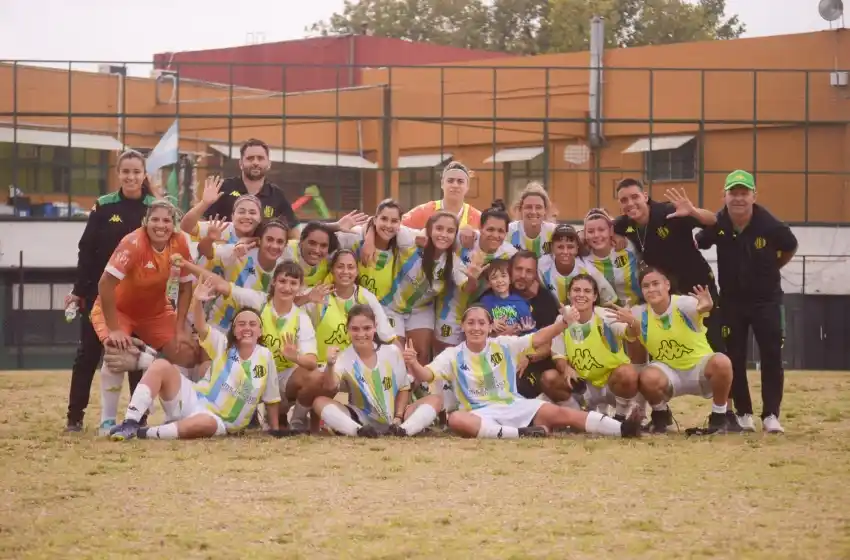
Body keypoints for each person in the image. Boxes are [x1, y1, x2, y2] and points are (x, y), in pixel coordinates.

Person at [403, 305, 641, 439]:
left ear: (489, 327)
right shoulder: (453, 354)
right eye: (471, 323)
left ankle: (623, 429)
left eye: (481, 323)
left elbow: (538, 338)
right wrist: (413, 364)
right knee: (456, 420)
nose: (476, 327)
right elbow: (426, 375)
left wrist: (563, 324)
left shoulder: (504, 344)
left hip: (514, 405)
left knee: (562, 415)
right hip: (480, 413)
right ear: (463, 327)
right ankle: (520, 434)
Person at [107, 276, 283, 441]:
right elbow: (200, 326)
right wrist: (198, 301)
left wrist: (274, 429)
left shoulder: (265, 357)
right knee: (161, 366)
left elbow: (272, 397)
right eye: (241, 324)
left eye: (253, 325)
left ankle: (146, 433)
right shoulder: (224, 344)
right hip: (195, 398)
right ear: (235, 330)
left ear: (260, 331)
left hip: (218, 420)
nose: (247, 328)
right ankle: (130, 423)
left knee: (205, 424)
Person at [695, 170, 798, 434]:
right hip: (732, 301)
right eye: (733, 193)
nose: (739, 198)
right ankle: (744, 413)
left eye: (744, 193)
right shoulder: (718, 222)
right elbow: (699, 242)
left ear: (754, 195)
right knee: (735, 357)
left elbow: (790, 246)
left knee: (772, 355)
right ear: (725, 195)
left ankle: (771, 415)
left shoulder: (770, 224)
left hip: (767, 300)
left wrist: (772, 267)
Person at [63, 149, 157, 432]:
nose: (131, 177)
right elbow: (86, 251)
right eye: (125, 171)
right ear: (118, 174)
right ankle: (74, 417)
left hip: (140, 299)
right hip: (99, 296)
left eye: (136, 172)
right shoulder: (103, 206)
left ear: (144, 175)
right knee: (88, 355)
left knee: (137, 359)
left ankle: (137, 418)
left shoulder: (155, 207)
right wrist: (80, 290)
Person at [87, 199, 197, 436]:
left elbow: (187, 287)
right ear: (145, 222)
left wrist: (179, 328)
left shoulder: (180, 243)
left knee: (186, 350)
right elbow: (105, 284)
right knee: (116, 352)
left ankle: (178, 414)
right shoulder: (133, 242)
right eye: (155, 219)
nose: (161, 225)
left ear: (174, 224)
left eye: (166, 220)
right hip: (118, 309)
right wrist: (114, 330)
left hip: (155, 311)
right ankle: (107, 421)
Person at [608, 267, 742, 435]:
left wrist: (706, 307)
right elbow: (625, 334)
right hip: (670, 373)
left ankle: (719, 417)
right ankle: (660, 416)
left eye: (656, 284)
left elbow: (700, 308)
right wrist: (629, 323)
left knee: (722, 362)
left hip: (698, 368)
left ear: (667, 285)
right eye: (646, 286)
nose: (651, 289)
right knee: (647, 375)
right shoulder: (638, 313)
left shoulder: (683, 303)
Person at [204, 260, 318, 429]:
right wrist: (184, 263)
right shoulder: (259, 302)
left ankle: (296, 420)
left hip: (284, 377)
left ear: (300, 287)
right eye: (282, 281)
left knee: (313, 377)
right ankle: (236, 412)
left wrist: (296, 357)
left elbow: (312, 362)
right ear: (273, 282)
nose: (287, 287)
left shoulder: (302, 318)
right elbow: (222, 285)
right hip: (253, 373)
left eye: (293, 283)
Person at [612, 178, 723, 351]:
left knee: (710, 341)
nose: (630, 203)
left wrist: (693, 211)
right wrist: (615, 236)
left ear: (645, 196)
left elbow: (712, 220)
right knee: (673, 344)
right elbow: (600, 228)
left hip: (696, 285)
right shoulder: (623, 224)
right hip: (665, 293)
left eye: (635, 197)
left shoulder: (669, 212)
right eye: (624, 200)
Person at [313, 305, 443, 437]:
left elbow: (404, 388)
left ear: (375, 327)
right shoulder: (343, 358)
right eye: (355, 329)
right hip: (360, 418)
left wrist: (398, 417)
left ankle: (403, 431)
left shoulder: (392, 351)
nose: (361, 334)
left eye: (367, 328)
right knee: (319, 401)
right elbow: (330, 387)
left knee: (436, 399)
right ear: (347, 329)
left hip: (396, 418)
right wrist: (330, 365)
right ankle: (358, 431)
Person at [549, 274, 639, 420]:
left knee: (628, 373)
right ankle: (578, 415)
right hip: (584, 386)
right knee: (549, 378)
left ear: (595, 296)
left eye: (587, 291)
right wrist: (566, 368)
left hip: (611, 385)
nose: (581, 295)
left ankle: (620, 416)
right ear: (569, 294)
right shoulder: (562, 319)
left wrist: (632, 322)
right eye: (576, 290)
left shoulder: (605, 316)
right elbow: (558, 354)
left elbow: (632, 333)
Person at [201, 138, 300, 235]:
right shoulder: (223, 188)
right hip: (226, 249)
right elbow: (199, 224)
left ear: (269, 164)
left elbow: (294, 232)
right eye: (250, 158)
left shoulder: (277, 195)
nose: (255, 162)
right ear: (240, 163)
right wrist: (203, 204)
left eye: (260, 158)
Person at [507, 251, 563, 400]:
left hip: (534, 363)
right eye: (519, 269)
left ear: (535, 275)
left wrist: (529, 357)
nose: (523, 275)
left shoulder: (545, 299)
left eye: (529, 271)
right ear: (510, 270)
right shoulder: (496, 293)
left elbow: (551, 343)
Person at [538, 224, 618, 306]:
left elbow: (609, 298)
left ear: (577, 248)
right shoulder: (542, 266)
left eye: (570, 247)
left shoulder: (587, 268)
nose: (565, 252)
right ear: (552, 247)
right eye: (560, 247)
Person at [402, 161, 481, 230]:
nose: (455, 185)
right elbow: (399, 228)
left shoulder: (478, 218)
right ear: (442, 184)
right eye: (450, 180)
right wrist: (418, 235)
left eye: (460, 181)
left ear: (467, 187)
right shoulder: (424, 211)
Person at [478, 260, 534, 332]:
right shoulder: (485, 302)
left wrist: (526, 330)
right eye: (494, 277)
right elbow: (479, 326)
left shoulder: (521, 303)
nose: (499, 280)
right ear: (489, 283)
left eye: (503, 276)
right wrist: (490, 325)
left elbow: (532, 331)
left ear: (510, 279)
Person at [508, 182, 557, 257]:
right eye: (528, 207)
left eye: (538, 207)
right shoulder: (509, 231)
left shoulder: (554, 232)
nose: (533, 212)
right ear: (520, 209)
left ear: (545, 210)